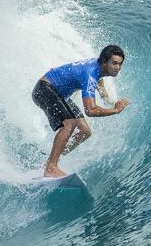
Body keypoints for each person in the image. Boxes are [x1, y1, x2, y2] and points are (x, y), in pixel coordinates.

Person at [32, 45, 131, 177]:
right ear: (104, 62)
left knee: (85, 131)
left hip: (59, 94)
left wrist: (109, 100)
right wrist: (115, 110)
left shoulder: (98, 67)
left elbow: (99, 81)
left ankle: (51, 160)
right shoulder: (90, 73)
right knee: (70, 123)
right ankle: (51, 167)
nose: (118, 67)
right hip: (44, 89)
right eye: (114, 63)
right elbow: (90, 110)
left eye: (120, 64)